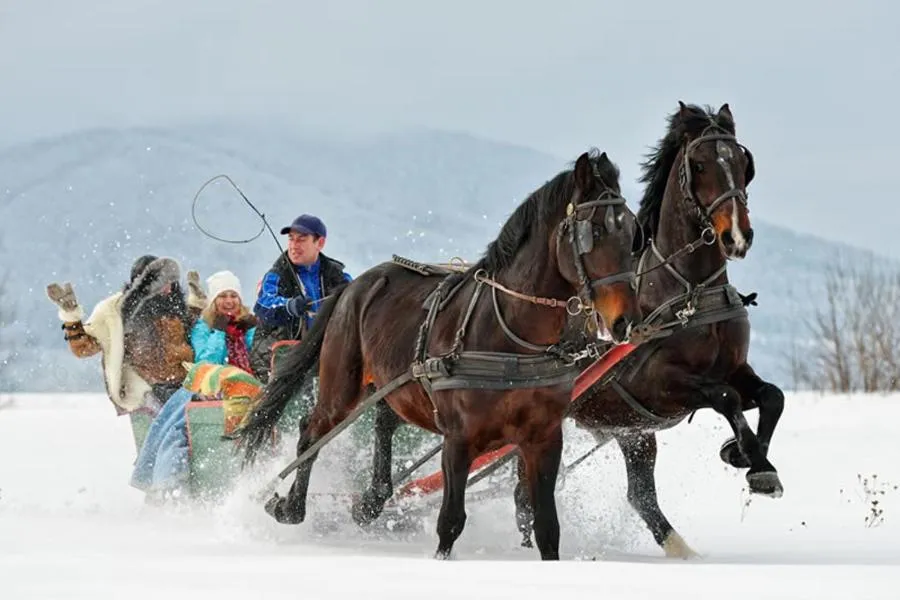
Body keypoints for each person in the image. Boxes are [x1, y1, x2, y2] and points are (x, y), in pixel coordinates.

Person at [45, 255, 195, 415]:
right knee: (169, 426)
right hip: (146, 393)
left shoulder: (180, 310)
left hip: (184, 387)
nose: (167, 287)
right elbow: (84, 348)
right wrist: (72, 317)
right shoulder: (115, 312)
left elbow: (206, 339)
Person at [249, 214, 352, 383]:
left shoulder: (337, 275)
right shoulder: (277, 274)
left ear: (320, 243)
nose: (294, 246)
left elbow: (356, 297)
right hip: (280, 359)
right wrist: (289, 306)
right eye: (291, 239)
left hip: (326, 353)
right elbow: (262, 306)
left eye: (301, 240)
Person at [190, 270, 257, 371]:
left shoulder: (247, 324)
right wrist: (219, 332)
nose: (229, 301)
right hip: (217, 384)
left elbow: (259, 360)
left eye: (234, 296)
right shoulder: (203, 327)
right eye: (222, 296)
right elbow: (205, 365)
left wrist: (253, 332)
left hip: (248, 383)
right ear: (214, 301)